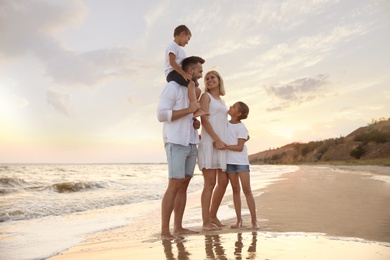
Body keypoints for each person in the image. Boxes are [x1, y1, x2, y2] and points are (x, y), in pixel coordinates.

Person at [157, 56, 205, 239]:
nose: (201, 75)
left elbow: (190, 113)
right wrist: (189, 110)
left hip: (191, 141)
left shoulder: (191, 90)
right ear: (190, 71)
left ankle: (178, 227)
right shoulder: (173, 88)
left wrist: (193, 121)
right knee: (174, 184)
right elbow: (161, 115)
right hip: (175, 141)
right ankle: (164, 231)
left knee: (184, 185)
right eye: (199, 71)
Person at [197, 70, 229, 230]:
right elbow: (203, 119)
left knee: (223, 182)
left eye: (212, 77)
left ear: (219, 80)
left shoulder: (222, 101)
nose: (209, 80)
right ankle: (205, 222)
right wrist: (216, 139)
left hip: (221, 144)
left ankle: (213, 215)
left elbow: (224, 123)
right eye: (207, 78)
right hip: (210, 143)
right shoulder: (205, 97)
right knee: (210, 183)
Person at [225, 101, 259, 230]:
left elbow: (239, 147)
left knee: (247, 190)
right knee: (235, 190)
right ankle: (239, 220)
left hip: (241, 162)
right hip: (229, 162)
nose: (230, 107)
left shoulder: (241, 127)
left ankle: (254, 221)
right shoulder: (225, 124)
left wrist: (225, 146)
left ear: (238, 113)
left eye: (234, 107)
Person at [165, 25, 207, 117]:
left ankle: (191, 106)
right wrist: (184, 73)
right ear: (182, 34)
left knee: (197, 89)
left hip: (178, 73)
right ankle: (195, 109)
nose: (187, 42)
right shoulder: (172, 46)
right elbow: (172, 62)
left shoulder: (181, 51)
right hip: (172, 73)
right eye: (188, 38)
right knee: (191, 84)